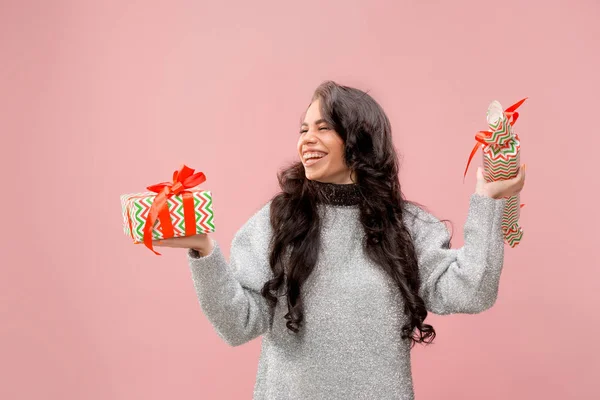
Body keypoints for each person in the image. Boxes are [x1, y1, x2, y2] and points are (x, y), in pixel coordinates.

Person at [154, 81, 526, 399]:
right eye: (303, 129)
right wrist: (202, 250)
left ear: (358, 138)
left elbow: (474, 291)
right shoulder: (276, 222)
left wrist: (489, 202)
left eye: (323, 128)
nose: (307, 140)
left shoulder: (407, 226)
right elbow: (238, 325)